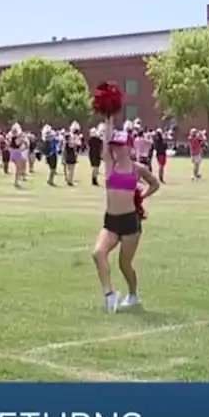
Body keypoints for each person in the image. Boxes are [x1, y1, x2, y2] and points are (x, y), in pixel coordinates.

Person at [92, 121, 160, 313]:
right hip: (111, 221)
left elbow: (154, 184)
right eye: (114, 145)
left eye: (120, 145)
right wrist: (108, 117)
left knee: (124, 264)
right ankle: (109, 294)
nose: (116, 148)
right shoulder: (109, 164)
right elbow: (105, 140)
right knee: (98, 253)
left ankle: (133, 294)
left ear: (128, 147)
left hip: (130, 221)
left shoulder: (138, 168)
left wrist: (142, 196)